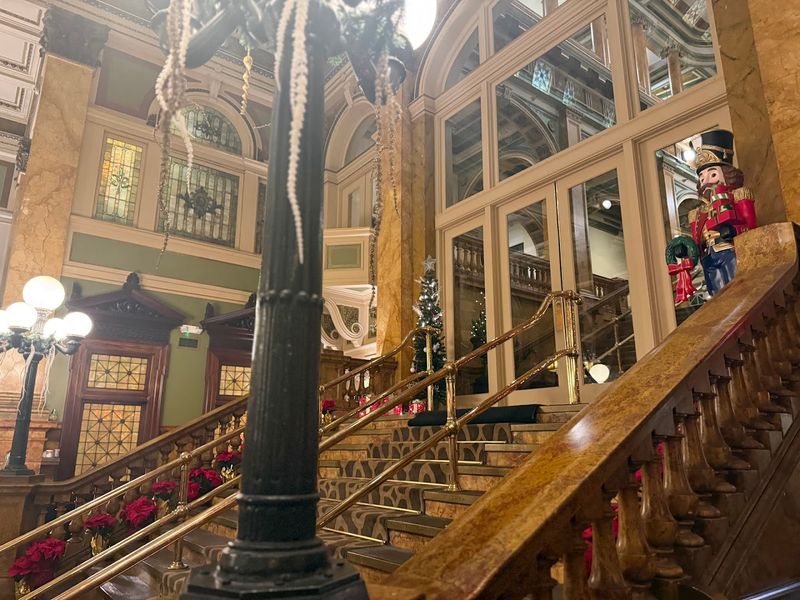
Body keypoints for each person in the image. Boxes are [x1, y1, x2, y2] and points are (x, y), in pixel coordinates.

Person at [688, 129, 757, 295]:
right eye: (702, 178)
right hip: (709, 257)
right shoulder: (697, 214)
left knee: (741, 291)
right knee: (718, 297)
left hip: (731, 251)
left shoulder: (738, 196)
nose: (706, 182)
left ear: (728, 175)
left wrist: (733, 230)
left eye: (712, 174)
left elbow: (752, 229)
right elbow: (696, 239)